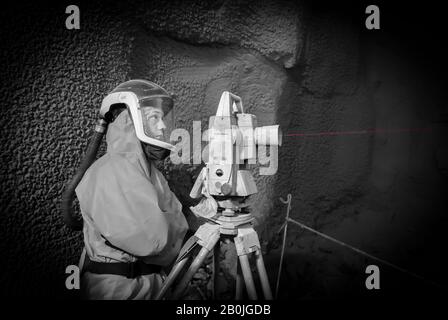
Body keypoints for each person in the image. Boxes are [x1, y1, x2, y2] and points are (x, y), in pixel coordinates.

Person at [74, 80, 188, 299]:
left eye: (162, 119)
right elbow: (153, 241)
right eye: (155, 118)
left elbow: (173, 230)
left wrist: (171, 225)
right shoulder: (111, 171)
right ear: (130, 120)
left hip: (151, 283)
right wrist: (173, 224)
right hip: (120, 289)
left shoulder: (148, 171)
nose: (163, 126)